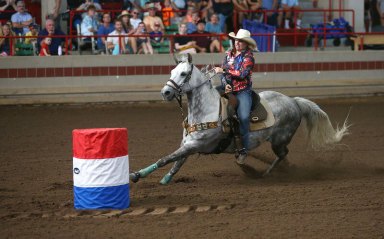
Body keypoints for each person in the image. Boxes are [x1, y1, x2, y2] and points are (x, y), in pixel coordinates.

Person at [214, 29, 256, 165]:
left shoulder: (249, 57)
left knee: (243, 117)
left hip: (243, 91)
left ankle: (243, 149)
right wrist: (225, 84)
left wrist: (224, 71)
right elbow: (224, 74)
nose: (238, 43)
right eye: (237, 40)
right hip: (229, 89)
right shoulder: (228, 55)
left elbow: (242, 74)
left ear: (246, 44)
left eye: (241, 41)